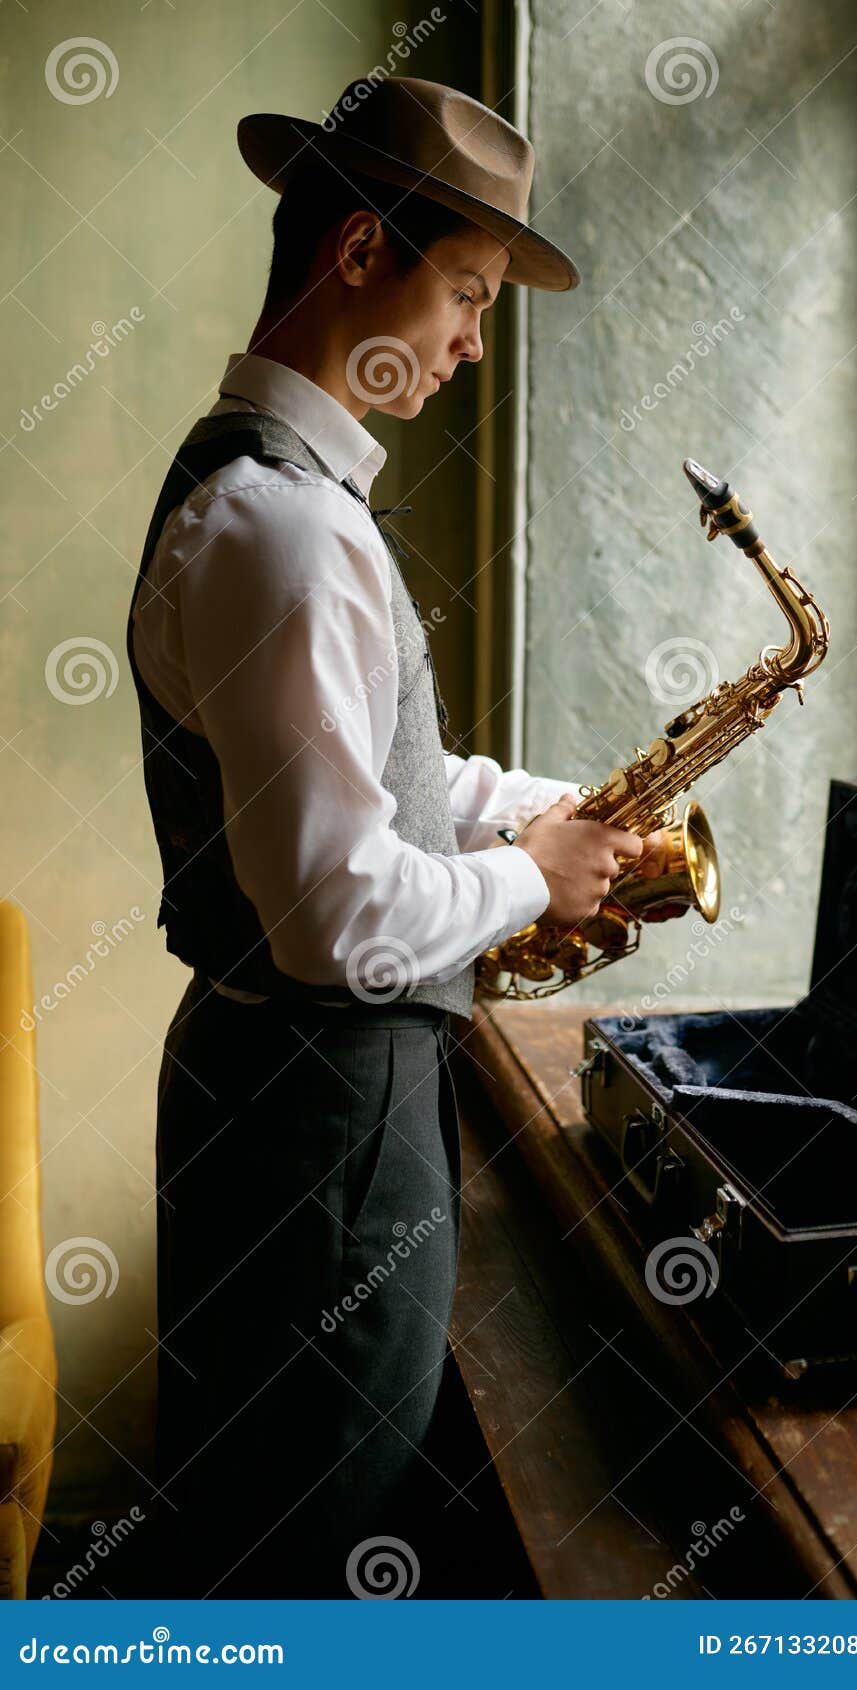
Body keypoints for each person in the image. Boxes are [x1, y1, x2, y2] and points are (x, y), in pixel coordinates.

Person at [127, 74, 668, 1598]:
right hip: (325, 1128)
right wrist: (530, 879)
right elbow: (335, 920)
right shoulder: (288, 532)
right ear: (361, 254)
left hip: (291, 1105)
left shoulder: (251, 487)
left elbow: (347, 775)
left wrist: (521, 803)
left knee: (279, 1508)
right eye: (469, 293)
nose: (475, 341)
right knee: (310, 1530)